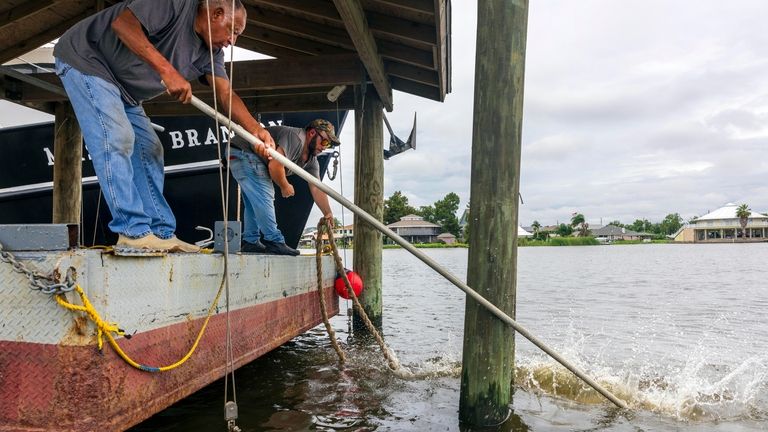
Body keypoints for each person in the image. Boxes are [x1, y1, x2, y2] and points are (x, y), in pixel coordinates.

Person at [52, 0, 274, 253]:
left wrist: (255, 129)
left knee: (150, 149)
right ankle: (132, 231)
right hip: (87, 60)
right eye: (233, 30)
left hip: (125, 90)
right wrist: (167, 70)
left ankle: (160, 233)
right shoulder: (175, 4)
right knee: (117, 137)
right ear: (217, 13)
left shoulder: (210, 54)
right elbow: (123, 25)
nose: (233, 40)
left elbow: (225, 93)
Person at [228, 119, 340, 255]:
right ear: (312, 133)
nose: (324, 147)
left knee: (254, 201)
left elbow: (317, 187)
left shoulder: (312, 161)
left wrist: (327, 212)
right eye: (324, 142)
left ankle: (250, 241)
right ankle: (274, 241)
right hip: (244, 151)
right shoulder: (296, 139)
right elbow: (275, 165)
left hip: (240, 153)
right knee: (265, 194)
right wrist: (284, 185)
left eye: (328, 145)